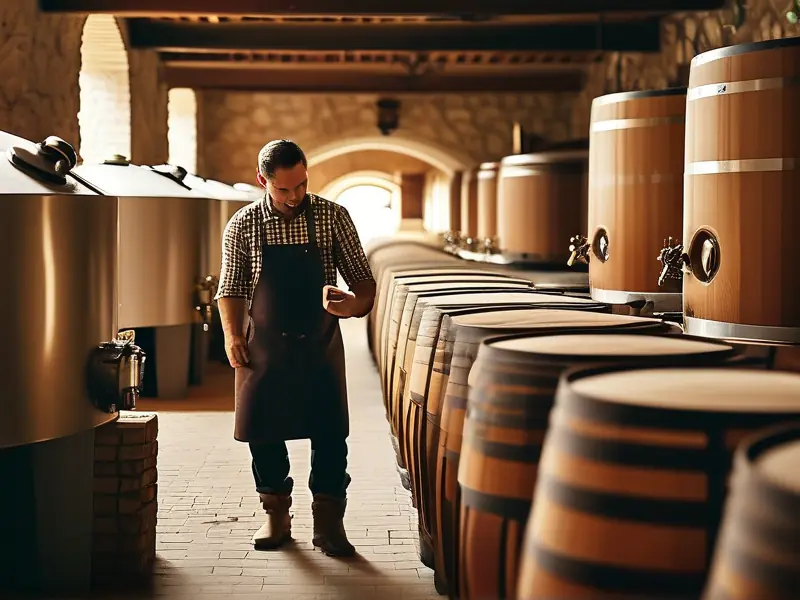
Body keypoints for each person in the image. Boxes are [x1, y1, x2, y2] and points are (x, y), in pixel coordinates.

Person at [215, 139, 376, 557]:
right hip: (262, 345)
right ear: (262, 181)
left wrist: (353, 304)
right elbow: (230, 288)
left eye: (301, 185)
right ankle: (276, 516)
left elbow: (362, 281)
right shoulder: (243, 224)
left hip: (318, 343)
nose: (295, 196)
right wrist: (232, 335)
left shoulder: (332, 216)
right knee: (263, 433)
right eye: (284, 189)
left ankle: (329, 524)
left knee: (329, 435)